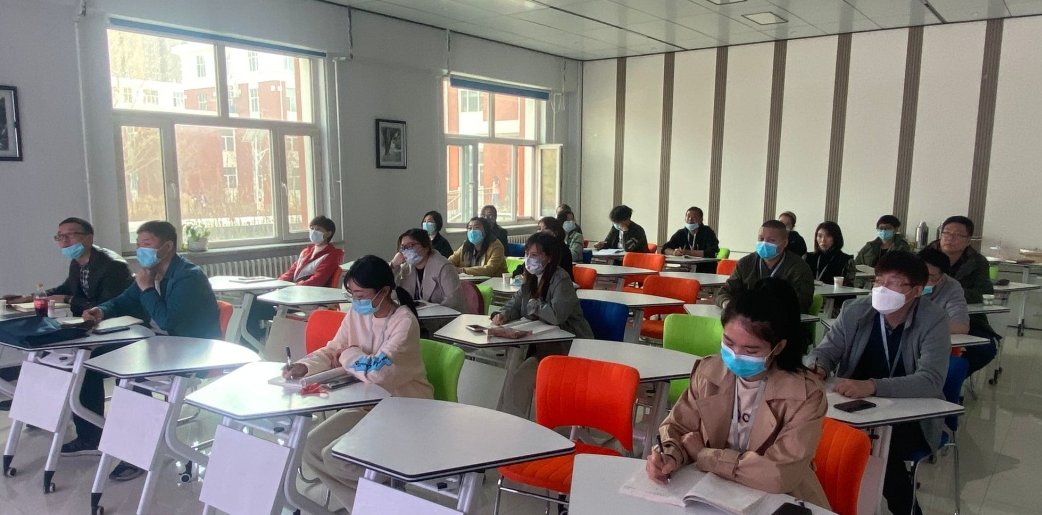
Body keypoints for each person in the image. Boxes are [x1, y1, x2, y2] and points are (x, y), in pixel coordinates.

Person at [646, 278, 829, 510]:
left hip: (781, 501)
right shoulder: (709, 371)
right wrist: (668, 455)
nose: (735, 354)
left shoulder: (806, 394)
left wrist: (705, 455)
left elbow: (778, 474)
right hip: (712, 492)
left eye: (750, 350)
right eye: (729, 342)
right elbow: (678, 428)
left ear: (778, 348)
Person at [285, 256, 433, 510]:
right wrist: (305, 365)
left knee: (336, 458)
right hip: (368, 405)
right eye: (352, 294)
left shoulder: (404, 322)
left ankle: (382, 502)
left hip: (405, 410)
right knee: (311, 447)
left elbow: (378, 374)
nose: (355, 301)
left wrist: (349, 354)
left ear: (383, 292)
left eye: (360, 295)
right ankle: (368, 507)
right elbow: (334, 348)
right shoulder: (357, 313)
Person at [808, 251, 950, 515]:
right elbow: (825, 351)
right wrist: (818, 367)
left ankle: (906, 511)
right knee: (810, 431)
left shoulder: (934, 320)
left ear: (917, 291)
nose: (882, 289)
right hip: (852, 407)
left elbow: (931, 380)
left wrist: (872, 385)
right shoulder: (856, 310)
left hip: (909, 415)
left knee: (880, 449)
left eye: (894, 283)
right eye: (878, 281)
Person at [83, 220, 221, 481]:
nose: (140, 251)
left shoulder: (188, 276)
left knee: (131, 373)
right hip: (160, 344)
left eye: (146, 244)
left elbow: (168, 321)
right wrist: (101, 310)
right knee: (93, 361)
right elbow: (124, 300)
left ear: (167, 247)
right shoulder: (150, 272)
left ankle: (138, 451)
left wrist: (147, 288)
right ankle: (90, 435)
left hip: (191, 350)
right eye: (138, 245)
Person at [27, 218, 135, 457]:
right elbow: (67, 288)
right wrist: (33, 296)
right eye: (60, 236)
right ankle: (45, 412)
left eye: (71, 235)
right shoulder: (78, 262)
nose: (65, 241)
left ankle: (90, 437)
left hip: (122, 331)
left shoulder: (112, 266)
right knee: (47, 351)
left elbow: (105, 306)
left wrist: (68, 300)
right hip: (94, 329)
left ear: (89, 237)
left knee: (83, 363)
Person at [492, 232, 593, 417]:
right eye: (527, 254)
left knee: (521, 378)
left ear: (549, 257)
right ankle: (515, 421)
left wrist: (534, 304)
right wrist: (503, 314)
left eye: (534, 255)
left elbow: (556, 316)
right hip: (540, 344)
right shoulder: (530, 277)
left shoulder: (561, 279)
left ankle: (520, 422)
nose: (528, 259)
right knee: (515, 376)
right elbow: (516, 303)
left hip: (566, 346)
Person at [928, 216, 997, 374]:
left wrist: (952, 291)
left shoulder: (977, 262)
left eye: (957, 235)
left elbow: (984, 292)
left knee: (986, 348)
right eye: (946, 233)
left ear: (968, 240)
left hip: (968, 317)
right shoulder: (923, 258)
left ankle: (950, 376)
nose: (950, 238)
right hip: (927, 314)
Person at [715, 220, 814, 313]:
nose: (764, 244)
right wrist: (726, 303)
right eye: (761, 239)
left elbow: (802, 303)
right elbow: (724, 292)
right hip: (747, 318)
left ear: (784, 243)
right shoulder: (745, 263)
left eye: (771, 240)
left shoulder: (799, 268)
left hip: (782, 319)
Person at [390, 228, 463, 312]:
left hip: (443, 317)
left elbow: (453, 301)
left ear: (426, 247)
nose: (406, 251)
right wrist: (393, 265)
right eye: (403, 247)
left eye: (410, 246)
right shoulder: (406, 268)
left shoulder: (444, 267)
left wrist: (430, 313)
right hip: (415, 316)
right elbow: (392, 295)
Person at [278, 215, 344, 287]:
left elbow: (317, 280)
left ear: (328, 234)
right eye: (312, 228)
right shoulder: (306, 251)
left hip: (312, 291)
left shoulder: (332, 255)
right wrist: (279, 282)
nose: (313, 232)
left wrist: (295, 286)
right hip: (299, 288)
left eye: (318, 229)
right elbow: (291, 272)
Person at [917, 248, 970, 335]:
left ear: (942, 278)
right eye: (920, 274)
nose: (923, 280)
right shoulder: (902, 282)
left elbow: (961, 326)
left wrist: (923, 328)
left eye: (930, 276)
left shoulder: (951, 287)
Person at [660, 206, 720, 273]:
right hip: (685, 269)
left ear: (701, 220)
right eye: (688, 217)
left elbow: (711, 252)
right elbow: (664, 249)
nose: (690, 220)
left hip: (705, 270)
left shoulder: (708, 232)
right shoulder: (681, 233)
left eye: (694, 217)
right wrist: (674, 252)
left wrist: (687, 252)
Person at [805, 221, 856, 285]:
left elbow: (849, 287)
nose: (823, 240)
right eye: (820, 236)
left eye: (828, 236)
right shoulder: (808, 258)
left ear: (836, 238)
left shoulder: (846, 261)